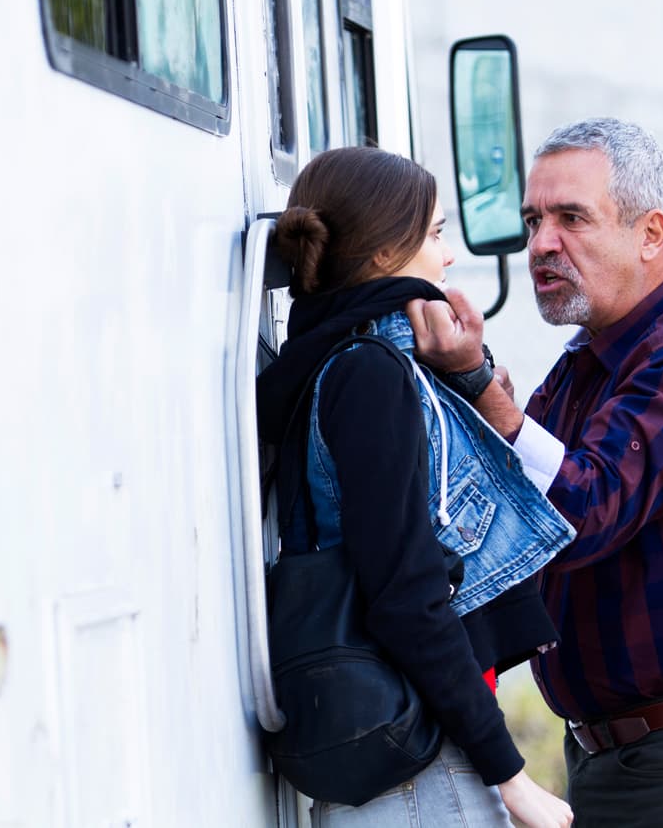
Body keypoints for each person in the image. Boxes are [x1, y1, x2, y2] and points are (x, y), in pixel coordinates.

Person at [408, 117, 663, 827]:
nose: (541, 244)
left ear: (650, 234)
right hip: (623, 759)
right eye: (533, 220)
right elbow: (505, 516)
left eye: (571, 218)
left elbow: (582, 510)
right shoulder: (587, 363)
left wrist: (479, 384)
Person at [256, 145, 574, 828]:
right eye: (434, 234)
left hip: (401, 766)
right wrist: (511, 775)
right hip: (420, 773)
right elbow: (408, 596)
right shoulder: (369, 376)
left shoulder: (338, 364)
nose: (450, 254)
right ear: (379, 256)